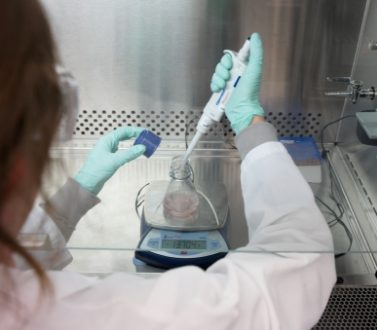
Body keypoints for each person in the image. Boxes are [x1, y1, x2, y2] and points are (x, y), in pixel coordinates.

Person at [0, 0, 336, 329]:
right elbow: (291, 276)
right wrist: (250, 123)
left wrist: (74, 195)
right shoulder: (79, 313)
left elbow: (22, 259)